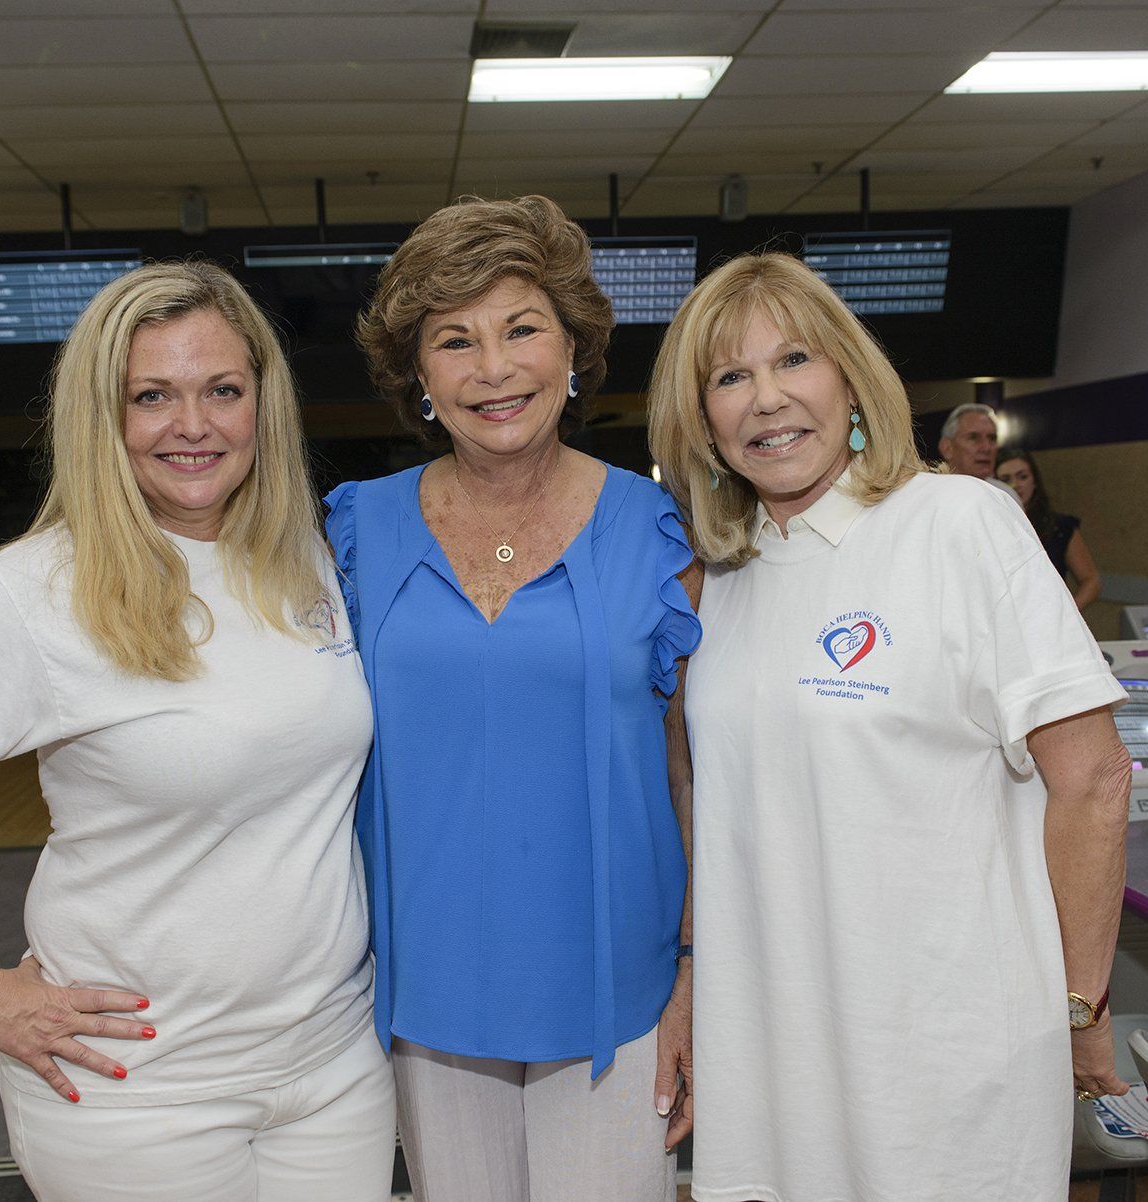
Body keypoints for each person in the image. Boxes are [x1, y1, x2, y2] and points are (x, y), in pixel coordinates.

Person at [0, 262, 395, 1202]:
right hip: (141, 1092)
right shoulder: (33, 594)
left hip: (336, 1066)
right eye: (152, 396)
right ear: (102, 418)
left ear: (262, 406)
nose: (194, 425)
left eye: (223, 391)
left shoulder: (303, 556)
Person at [647, 252, 1132, 1202]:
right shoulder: (724, 576)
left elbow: (1094, 779)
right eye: (730, 376)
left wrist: (1080, 1004)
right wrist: (692, 979)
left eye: (794, 361)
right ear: (702, 419)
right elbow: (710, 803)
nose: (767, 399)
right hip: (771, 1047)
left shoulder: (961, 522)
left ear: (851, 379)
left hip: (942, 1054)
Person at [331, 194, 700, 1202]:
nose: (493, 368)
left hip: (619, 985)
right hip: (422, 986)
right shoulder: (353, 532)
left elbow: (691, 767)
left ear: (574, 349)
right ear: (419, 376)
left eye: (522, 328)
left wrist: (695, 970)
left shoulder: (659, 527)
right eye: (455, 340)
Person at [997, 446, 1103, 611]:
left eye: (1022, 477)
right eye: (1005, 479)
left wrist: (1067, 613)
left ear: (1034, 480)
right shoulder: (993, 525)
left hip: (1049, 619)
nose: (1016, 485)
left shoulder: (1059, 526)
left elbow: (1091, 581)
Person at [938, 400, 1001, 479]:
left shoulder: (1004, 490)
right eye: (973, 438)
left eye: (992, 438)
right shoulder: (932, 490)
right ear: (947, 448)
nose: (986, 448)